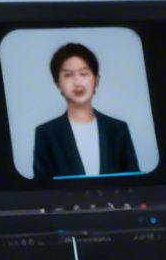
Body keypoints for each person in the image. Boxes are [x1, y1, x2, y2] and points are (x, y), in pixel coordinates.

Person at [33, 42, 139, 179]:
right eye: (68, 75)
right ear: (57, 83)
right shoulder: (46, 134)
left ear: (96, 80)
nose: (77, 82)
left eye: (84, 73)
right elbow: (42, 190)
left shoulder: (118, 129)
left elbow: (134, 182)